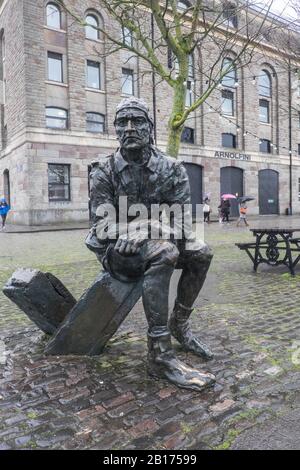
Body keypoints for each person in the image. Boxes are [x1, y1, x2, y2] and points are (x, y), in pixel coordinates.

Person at [86, 97, 215, 392]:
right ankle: (159, 355)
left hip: (155, 237)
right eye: (122, 122)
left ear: (150, 127)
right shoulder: (103, 170)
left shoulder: (172, 169)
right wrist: (138, 230)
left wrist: (148, 226)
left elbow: (184, 224)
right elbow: (101, 226)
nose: (129, 128)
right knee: (164, 251)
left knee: (201, 253)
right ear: (115, 129)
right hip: (116, 250)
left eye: (137, 121)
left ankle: (179, 326)